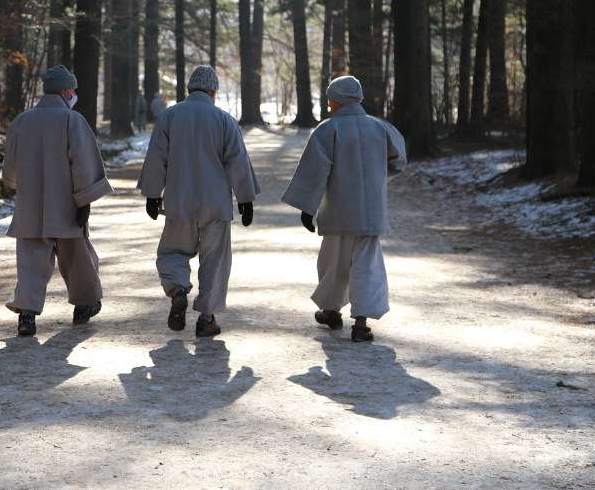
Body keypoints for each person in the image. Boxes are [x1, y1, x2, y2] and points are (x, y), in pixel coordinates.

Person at [138, 65, 261, 338]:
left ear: (189, 89)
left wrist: (152, 194)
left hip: (178, 203)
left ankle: (178, 287)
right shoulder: (224, 120)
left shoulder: (169, 116)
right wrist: (246, 200)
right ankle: (207, 319)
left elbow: (157, 158)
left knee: (172, 252)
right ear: (214, 91)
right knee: (215, 260)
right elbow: (237, 161)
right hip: (215, 204)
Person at [281, 75, 406, 342]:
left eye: (330, 99)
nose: (329, 105)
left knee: (333, 263)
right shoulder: (381, 128)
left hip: (339, 211)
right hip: (371, 211)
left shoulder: (328, 130)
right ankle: (360, 323)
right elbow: (399, 160)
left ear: (336, 100)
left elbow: (314, 172)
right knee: (367, 266)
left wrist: (307, 207)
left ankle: (330, 311)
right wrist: (377, 177)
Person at [2, 64, 114, 336]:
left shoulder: (22, 120)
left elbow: (10, 168)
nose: (75, 93)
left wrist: (18, 185)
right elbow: (83, 163)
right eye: (72, 89)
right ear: (64, 91)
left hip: (30, 206)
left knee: (30, 261)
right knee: (78, 258)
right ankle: (84, 305)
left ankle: (27, 316)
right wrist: (84, 201)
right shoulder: (72, 121)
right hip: (66, 205)